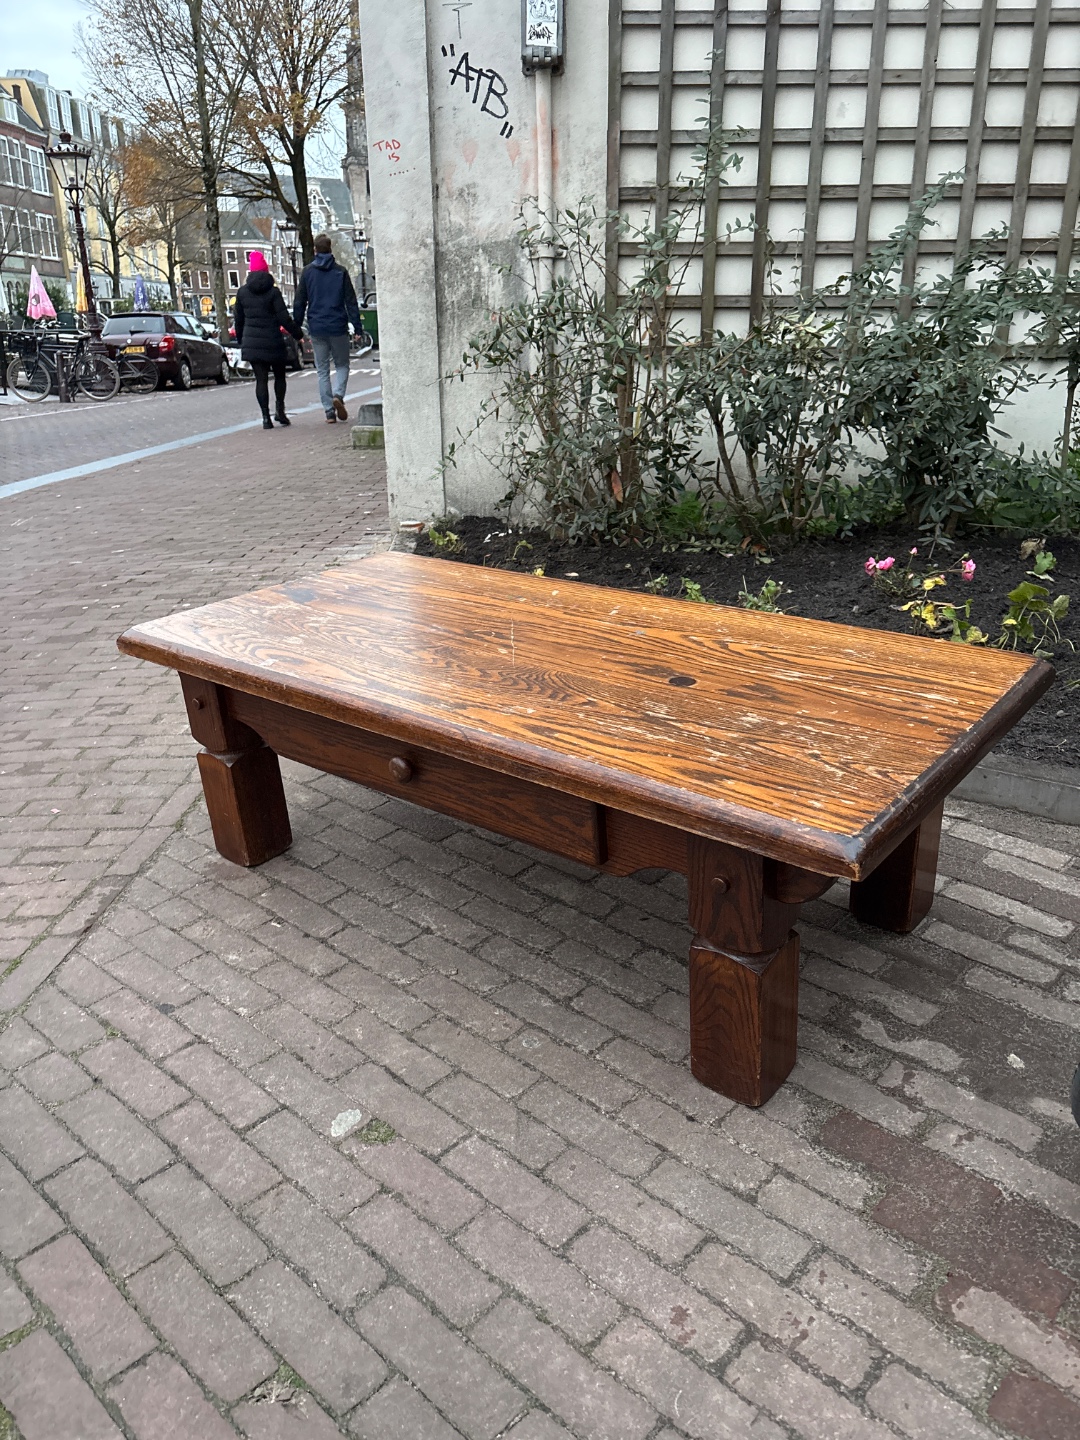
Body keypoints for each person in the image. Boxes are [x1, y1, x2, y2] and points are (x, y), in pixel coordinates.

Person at [293, 234, 362, 423]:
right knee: (342, 365)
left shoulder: (307, 273)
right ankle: (338, 395)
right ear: (330, 249)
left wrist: (296, 328)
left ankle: (329, 412)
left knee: (322, 369)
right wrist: (357, 327)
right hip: (338, 326)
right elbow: (351, 302)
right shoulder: (340, 272)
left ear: (315, 250)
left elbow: (299, 302)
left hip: (317, 327)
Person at [234, 251, 303, 429]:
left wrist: (242, 341)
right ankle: (280, 410)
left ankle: (266, 417)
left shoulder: (242, 293)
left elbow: (238, 320)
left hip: (252, 343)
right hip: (273, 341)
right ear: (266, 270)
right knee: (280, 377)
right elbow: (283, 318)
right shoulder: (273, 292)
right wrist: (298, 334)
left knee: (261, 380)